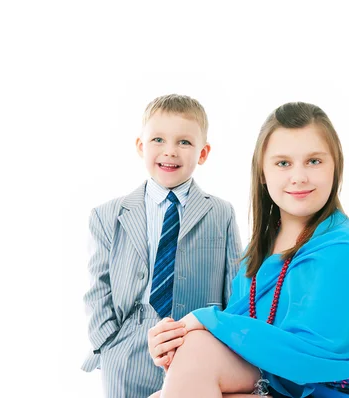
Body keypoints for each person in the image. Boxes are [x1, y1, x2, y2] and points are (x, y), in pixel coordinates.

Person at [147, 102, 349, 398]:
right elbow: (236, 336)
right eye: (283, 163)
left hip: (334, 388)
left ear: (335, 166)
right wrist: (175, 340)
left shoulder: (346, 248)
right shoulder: (258, 250)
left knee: (193, 359)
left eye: (314, 161)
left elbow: (312, 356)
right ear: (263, 173)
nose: (298, 176)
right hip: (276, 381)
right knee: (180, 372)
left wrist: (205, 321)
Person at [81, 94, 242, 398]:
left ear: (203, 153)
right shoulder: (107, 215)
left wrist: (227, 345)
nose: (170, 151)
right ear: (141, 146)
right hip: (129, 352)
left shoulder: (220, 212)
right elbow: (98, 287)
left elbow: (234, 287)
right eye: (158, 139)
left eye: (184, 142)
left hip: (196, 347)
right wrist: (108, 345)